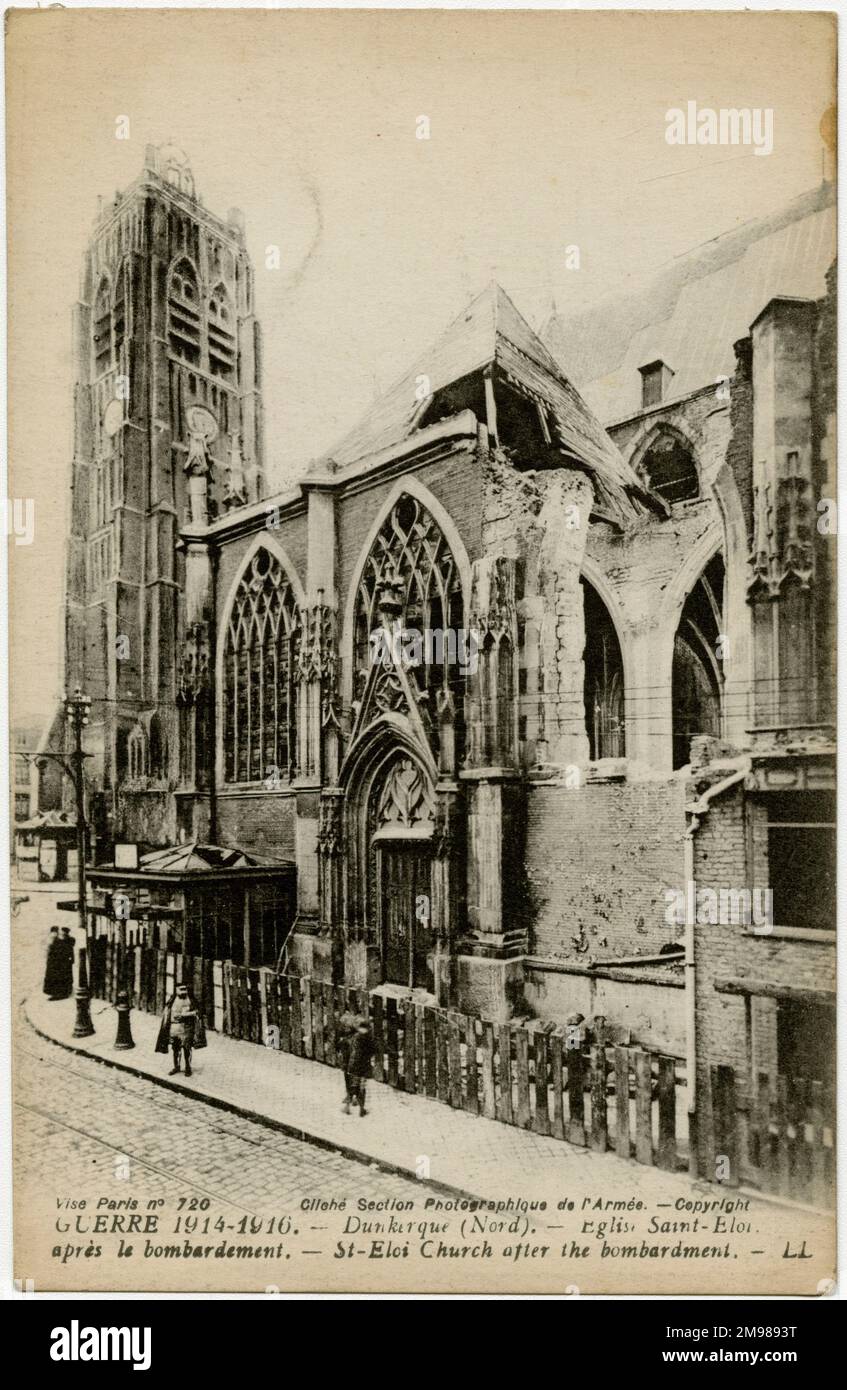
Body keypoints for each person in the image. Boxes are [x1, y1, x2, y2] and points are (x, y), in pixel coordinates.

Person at [155, 982, 206, 1077]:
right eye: (181, 989)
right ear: (176, 990)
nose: (183, 992)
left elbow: (197, 1012)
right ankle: (176, 1067)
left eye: (185, 989)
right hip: (174, 1029)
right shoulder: (172, 1000)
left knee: (187, 1049)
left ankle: (188, 1067)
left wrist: (186, 1015)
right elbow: (167, 1012)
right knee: (175, 1049)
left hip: (186, 1029)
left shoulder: (191, 1000)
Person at [342, 1016, 374, 1118]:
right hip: (364, 1067)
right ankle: (361, 1109)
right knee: (362, 1088)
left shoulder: (353, 1039)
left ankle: (347, 1107)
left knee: (352, 1086)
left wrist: (348, 1067)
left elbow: (350, 1054)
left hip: (354, 1067)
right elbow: (372, 1051)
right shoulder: (369, 1038)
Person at [42, 926, 64, 1001]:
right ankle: (56, 993)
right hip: (55, 962)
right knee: (54, 977)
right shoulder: (56, 939)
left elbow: (48, 951)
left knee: (53, 978)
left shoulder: (51, 939)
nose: (55, 934)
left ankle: (55, 994)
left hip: (53, 962)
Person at [57, 927, 75, 1000]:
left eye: (64, 932)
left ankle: (67, 990)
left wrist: (71, 959)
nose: (63, 933)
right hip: (63, 960)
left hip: (67, 960)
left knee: (67, 975)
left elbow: (70, 950)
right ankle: (66, 990)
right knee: (65, 975)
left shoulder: (68, 940)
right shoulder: (66, 939)